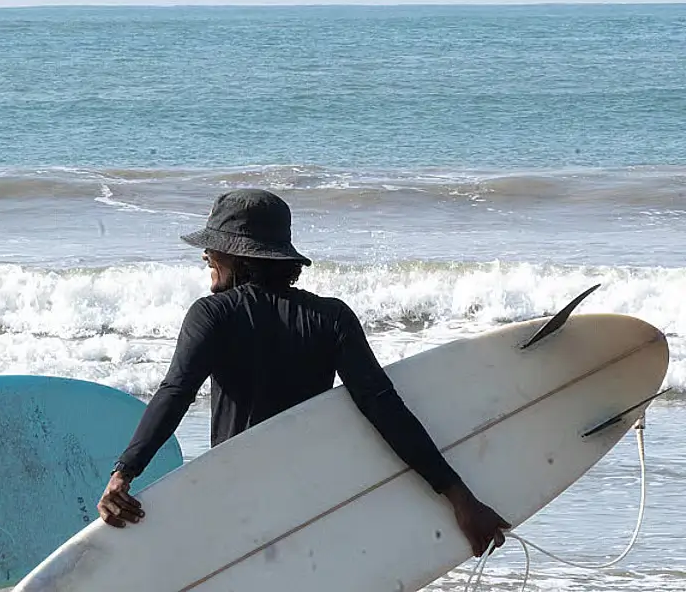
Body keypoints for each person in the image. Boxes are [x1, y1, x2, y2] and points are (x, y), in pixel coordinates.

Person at [96, 189, 510, 558]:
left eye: (211, 253)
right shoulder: (332, 318)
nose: (207, 260)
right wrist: (459, 497)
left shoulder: (213, 314)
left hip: (236, 496)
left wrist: (124, 473)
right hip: (313, 498)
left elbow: (176, 392)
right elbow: (384, 408)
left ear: (237, 255)